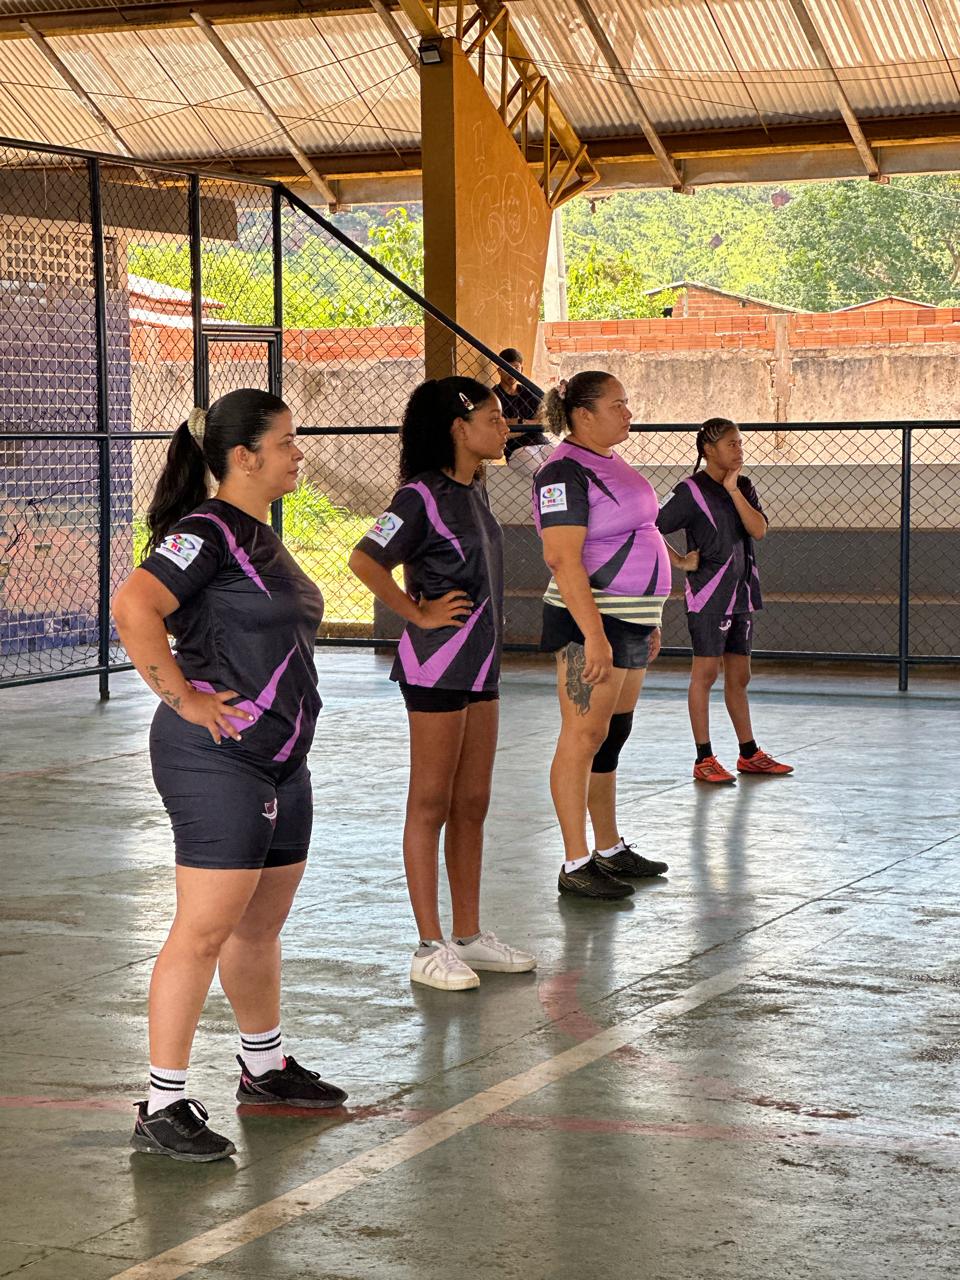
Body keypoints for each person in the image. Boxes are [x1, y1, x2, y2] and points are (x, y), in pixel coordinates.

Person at [112, 388, 347, 1164]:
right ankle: (163, 1103)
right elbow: (134, 606)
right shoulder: (207, 531)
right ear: (244, 457)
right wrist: (183, 698)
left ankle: (264, 1067)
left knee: (258, 928)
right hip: (217, 759)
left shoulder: (258, 534)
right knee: (204, 929)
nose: (297, 453)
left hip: (281, 759)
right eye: (287, 442)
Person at [348, 377, 536, 992]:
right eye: (492, 417)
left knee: (473, 803)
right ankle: (428, 946)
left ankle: (470, 935)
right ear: (459, 427)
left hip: (482, 667)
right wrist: (419, 612)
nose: (503, 426)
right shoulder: (418, 497)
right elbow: (363, 559)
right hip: (437, 666)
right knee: (430, 803)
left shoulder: (475, 489)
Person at [533, 372, 699, 900]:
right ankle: (575, 861)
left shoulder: (610, 461)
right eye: (618, 404)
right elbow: (561, 557)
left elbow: (638, 535)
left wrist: (649, 618)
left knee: (611, 733)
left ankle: (608, 847)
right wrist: (595, 636)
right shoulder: (561, 471)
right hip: (591, 623)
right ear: (583, 414)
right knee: (581, 736)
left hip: (630, 619)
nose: (629, 413)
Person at [656, 416, 794, 784]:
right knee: (705, 674)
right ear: (708, 450)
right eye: (731, 444)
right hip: (708, 596)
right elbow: (648, 525)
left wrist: (733, 490)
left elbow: (759, 530)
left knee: (740, 675)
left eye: (740, 443)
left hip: (742, 593)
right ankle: (704, 757)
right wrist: (681, 561)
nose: (739, 450)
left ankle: (748, 753)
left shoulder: (743, 486)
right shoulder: (689, 491)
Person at [492, 347, 553, 475]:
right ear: (499, 371)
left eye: (516, 368)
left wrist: (519, 423)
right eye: (506, 368)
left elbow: (546, 418)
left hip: (542, 442)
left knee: (567, 463)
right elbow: (500, 432)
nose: (511, 372)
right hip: (517, 449)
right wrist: (533, 423)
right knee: (543, 474)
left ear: (521, 370)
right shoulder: (493, 397)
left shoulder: (528, 392)